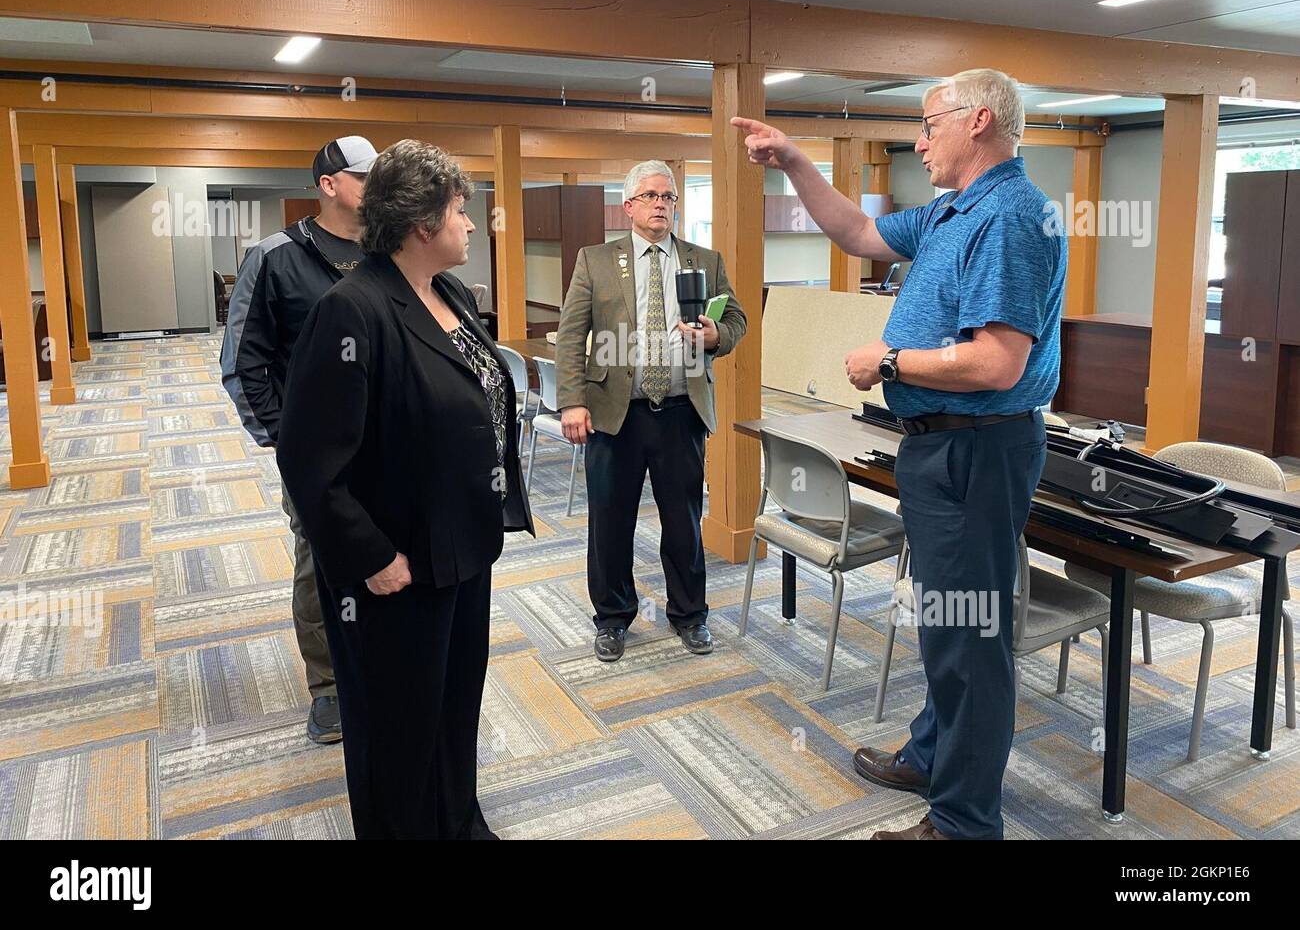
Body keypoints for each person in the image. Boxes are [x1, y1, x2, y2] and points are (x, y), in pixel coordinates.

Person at [734, 68, 1066, 841]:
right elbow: (859, 233)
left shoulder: (1013, 216)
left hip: (977, 448)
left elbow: (997, 363)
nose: (917, 141)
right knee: (943, 622)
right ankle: (931, 753)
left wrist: (888, 362)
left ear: (978, 120)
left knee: (971, 636)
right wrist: (794, 162)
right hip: (939, 448)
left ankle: (963, 820)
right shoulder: (956, 208)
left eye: (927, 124)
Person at [276, 139, 533, 840]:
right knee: (397, 728)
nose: (472, 225)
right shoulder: (352, 310)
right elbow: (308, 460)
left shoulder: (445, 291)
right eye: (460, 211)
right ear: (423, 225)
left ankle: (458, 822)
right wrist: (370, 556)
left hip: (462, 549)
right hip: (396, 567)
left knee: (453, 708)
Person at [555, 160, 747, 663]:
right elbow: (573, 335)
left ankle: (690, 614)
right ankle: (613, 618)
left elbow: (738, 319)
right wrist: (572, 400)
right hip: (616, 413)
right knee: (610, 521)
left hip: (681, 412)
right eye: (651, 196)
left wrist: (715, 336)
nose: (661, 205)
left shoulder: (703, 259)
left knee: (683, 521)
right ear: (629, 206)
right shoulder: (595, 260)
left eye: (669, 197)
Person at [219, 135, 378, 744]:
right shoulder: (276, 257)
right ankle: (330, 687)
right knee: (322, 562)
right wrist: (288, 441)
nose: (375, 188)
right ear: (330, 184)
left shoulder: (389, 252)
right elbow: (243, 361)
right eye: (364, 177)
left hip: (388, 447)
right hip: (316, 454)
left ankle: (378, 665)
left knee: (389, 555)